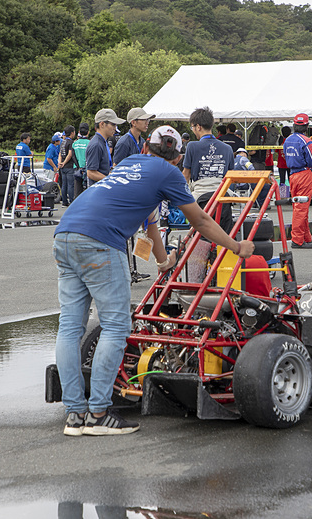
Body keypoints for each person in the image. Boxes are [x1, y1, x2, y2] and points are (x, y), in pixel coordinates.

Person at [53, 125, 254, 436]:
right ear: (178, 155)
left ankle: (75, 415)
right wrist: (236, 246)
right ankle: (99, 415)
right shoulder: (168, 173)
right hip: (100, 242)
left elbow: (149, 223)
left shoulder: (129, 164)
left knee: (70, 327)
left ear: (147, 145)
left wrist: (163, 262)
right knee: (116, 325)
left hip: (65, 234)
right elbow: (199, 219)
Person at [182, 106, 235, 235]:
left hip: (201, 198)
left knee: (200, 240)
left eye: (192, 127)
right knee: (224, 239)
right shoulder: (227, 148)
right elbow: (231, 177)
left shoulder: (192, 146)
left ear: (198, 127)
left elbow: (186, 175)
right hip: (223, 197)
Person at [283, 113, 312, 249]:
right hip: (304, 174)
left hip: (292, 175)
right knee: (301, 209)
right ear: (306, 126)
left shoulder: (287, 140)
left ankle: (306, 238)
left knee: (299, 207)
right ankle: (297, 240)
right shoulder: (306, 141)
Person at [86, 109, 124, 187]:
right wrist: (110, 180)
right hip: (97, 191)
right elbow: (91, 173)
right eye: (113, 124)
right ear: (102, 124)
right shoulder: (96, 144)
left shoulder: (103, 141)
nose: (115, 128)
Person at [57, 125, 77, 206]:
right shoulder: (70, 142)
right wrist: (64, 162)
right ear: (72, 133)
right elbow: (70, 154)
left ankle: (64, 201)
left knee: (64, 184)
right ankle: (72, 201)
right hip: (69, 166)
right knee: (70, 185)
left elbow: (60, 154)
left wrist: (60, 162)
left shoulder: (63, 142)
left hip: (62, 167)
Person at [71, 123, 89, 198]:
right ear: (88, 132)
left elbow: (73, 156)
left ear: (79, 132)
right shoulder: (90, 143)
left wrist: (78, 166)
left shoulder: (74, 143)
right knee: (87, 190)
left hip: (77, 169)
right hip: (87, 169)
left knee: (77, 191)